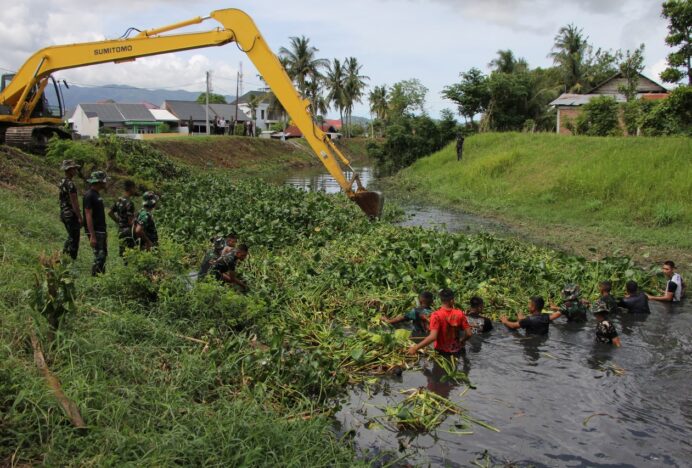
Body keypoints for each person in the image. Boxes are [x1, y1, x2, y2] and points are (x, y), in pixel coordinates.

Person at [407, 289, 472, 356]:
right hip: (457, 350)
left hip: (441, 352)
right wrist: (462, 341)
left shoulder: (436, 315)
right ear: (452, 300)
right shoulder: (460, 313)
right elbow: (469, 334)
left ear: (441, 300)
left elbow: (433, 337)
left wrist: (415, 348)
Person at [83, 171, 108, 276]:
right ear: (99, 181)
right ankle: (95, 280)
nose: (105, 183)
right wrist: (92, 235)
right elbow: (88, 214)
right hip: (96, 231)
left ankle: (100, 278)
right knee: (99, 257)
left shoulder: (96, 194)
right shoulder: (89, 195)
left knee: (103, 256)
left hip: (101, 230)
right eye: (103, 181)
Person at [58, 159, 83, 260]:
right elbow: (74, 202)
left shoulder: (62, 182)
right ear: (68, 170)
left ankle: (62, 257)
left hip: (64, 212)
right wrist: (80, 217)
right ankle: (70, 261)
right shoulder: (70, 184)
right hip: (70, 214)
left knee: (71, 236)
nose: (75, 170)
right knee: (74, 240)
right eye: (74, 169)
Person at [108, 179, 137, 257]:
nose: (135, 190)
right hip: (128, 231)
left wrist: (118, 221)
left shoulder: (119, 201)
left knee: (124, 254)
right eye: (134, 188)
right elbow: (130, 221)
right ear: (131, 188)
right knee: (131, 254)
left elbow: (110, 212)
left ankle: (125, 267)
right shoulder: (129, 203)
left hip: (120, 230)